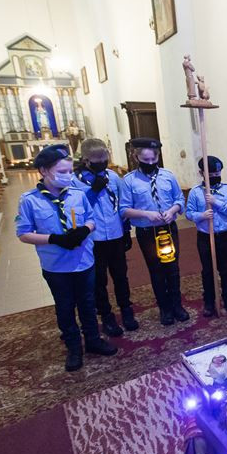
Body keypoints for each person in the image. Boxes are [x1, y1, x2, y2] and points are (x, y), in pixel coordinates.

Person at [16, 144, 117, 372]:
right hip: (56, 265)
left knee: (88, 303)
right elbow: (23, 234)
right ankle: (73, 347)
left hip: (84, 261)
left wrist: (85, 230)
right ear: (44, 171)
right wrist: (54, 239)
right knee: (65, 306)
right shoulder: (30, 200)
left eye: (70, 171)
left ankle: (93, 340)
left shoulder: (77, 195)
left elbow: (91, 219)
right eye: (61, 172)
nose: (68, 176)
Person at [119, 137, 190, 326]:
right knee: (156, 269)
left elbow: (179, 200)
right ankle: (164, 308)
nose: (150, 163)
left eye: (153, 159)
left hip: (168, 228)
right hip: (147, 232)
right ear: (136, 158)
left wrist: (172, 210)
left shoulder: (168, 176)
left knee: (172, 268)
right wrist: (146, 214)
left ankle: (177, 305)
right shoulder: (129, 181)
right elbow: (124, 210)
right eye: (145, 160)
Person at [71, 138, 138, 337]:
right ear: (85, 159)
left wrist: (126, 231)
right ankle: (106, 316)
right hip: (94, 238)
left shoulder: (113, 177)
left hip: (115, 234)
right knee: (99, 280)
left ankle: (126, 309)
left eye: (104, 158)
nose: (101, 162)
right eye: (96, 159)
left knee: (121, 276)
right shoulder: (76, 181)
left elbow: (122, 205)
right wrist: (93, 191)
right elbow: (76, 209)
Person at [185, 155, 227, 317]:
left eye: (218, 173)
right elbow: (189, 213)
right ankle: (209, 302)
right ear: (202, 173)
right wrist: (201, 216)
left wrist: (216, 202)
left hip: (225, 236)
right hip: (205, 237)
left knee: (226, 269)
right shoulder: (195, 192)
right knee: (207, 271)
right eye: (212, 174)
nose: (216, 176)